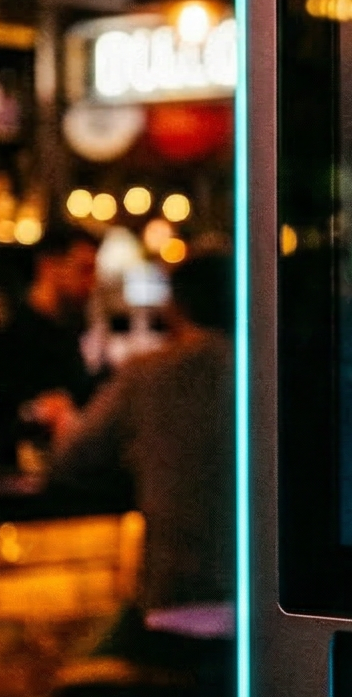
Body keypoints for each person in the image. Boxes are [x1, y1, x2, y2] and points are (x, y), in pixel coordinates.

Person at [49, 250, 234, 621]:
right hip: (260, 608)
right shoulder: (273, 375)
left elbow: (71, 459)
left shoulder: (148, 375)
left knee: (78, 671)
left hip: (175, 605)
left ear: (175, 306)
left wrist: (61, 421)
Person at [0, 221, 99, 464]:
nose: (92, 283)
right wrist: (36, 411)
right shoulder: (7, 333)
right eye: (84, 270)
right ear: (49, 265)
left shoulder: (68, 332)